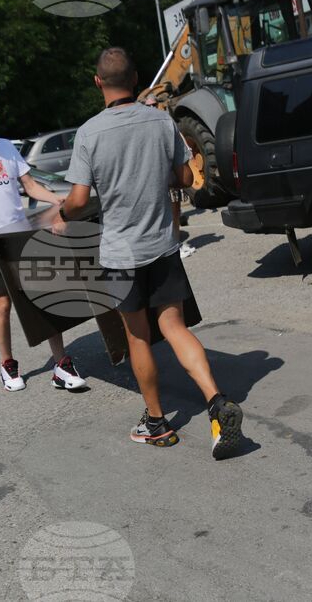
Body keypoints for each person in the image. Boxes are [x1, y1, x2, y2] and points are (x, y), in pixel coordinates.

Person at [56, 47, 244, 461]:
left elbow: (79, 200)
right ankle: (217, 402)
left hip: (121, 254)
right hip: (162, 244)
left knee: (138, 336)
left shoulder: (88, 133)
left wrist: (62, 210)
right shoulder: (161, 121)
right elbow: (182, 177)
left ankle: (157, 424)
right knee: (176, 328)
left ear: (98, 82)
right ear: (137, 78)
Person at [0, 93, 86, 392]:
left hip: (20, 236)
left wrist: (56, 199)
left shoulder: (7, 147)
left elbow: (31, 185)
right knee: (2, 305)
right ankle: (8, 364)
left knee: (44, 295)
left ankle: (60, 365)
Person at [143, 94, 196, 259]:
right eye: (149, 105)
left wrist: (187, 151)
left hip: (170, 170)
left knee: (175, 210)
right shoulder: (150, 122)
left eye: (154, 104)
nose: (152, 107)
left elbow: (178, 138)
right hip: (164, 173)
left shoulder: (163, 119)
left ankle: (175, 244)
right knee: (170, 211)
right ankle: (172, 247)